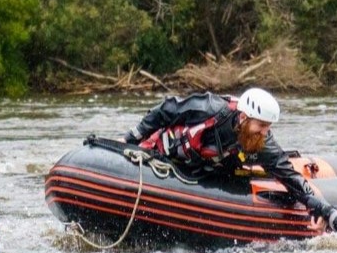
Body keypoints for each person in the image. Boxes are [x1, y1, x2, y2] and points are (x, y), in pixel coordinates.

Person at [123, 88, 325, 210]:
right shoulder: (210, 108)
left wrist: (318, 207)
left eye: (268, 127)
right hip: (162, 155)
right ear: (244, 118)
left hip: (202, 174)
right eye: (262, 125)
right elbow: (165, 110)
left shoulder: (262, 141)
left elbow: (288, 175)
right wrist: (130, 139)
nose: (265, 132)